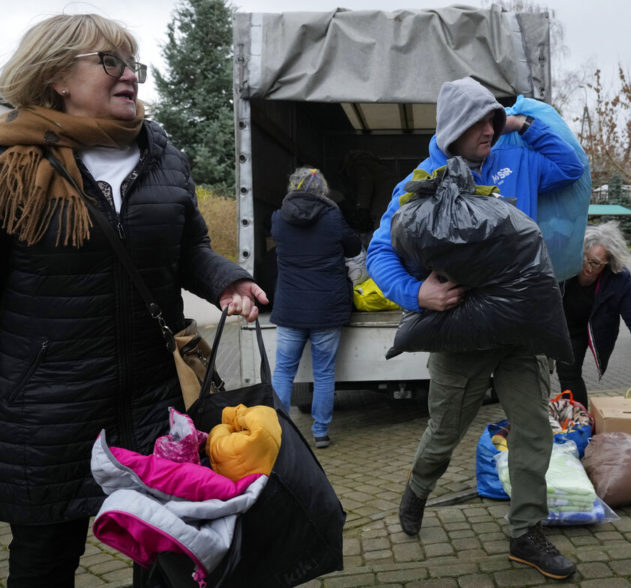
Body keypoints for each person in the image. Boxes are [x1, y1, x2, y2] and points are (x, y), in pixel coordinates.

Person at [0, 14, 268, 587]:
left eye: (133, 65)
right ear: (57, 77)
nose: (130, 76)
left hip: (152, 399)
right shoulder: (13, 165)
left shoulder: (162, 155)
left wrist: (227, 280)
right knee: (45, 561)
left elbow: (188, 246)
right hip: (48, 409)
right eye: (110, 62)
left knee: (174, 554)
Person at [366, 76, 583, 580]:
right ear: (453, 128)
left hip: (521, 332)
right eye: (478, 121)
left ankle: (527, 533)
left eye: (491, 118)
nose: (488, 129)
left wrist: (518, 123)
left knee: (534, 431)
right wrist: (416, 294)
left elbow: (571, 167)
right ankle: (418, 488)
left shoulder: (520, 160)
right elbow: (380, 250)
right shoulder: (424, 180)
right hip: (462, 331)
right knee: (444, 432)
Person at [270, 167, 362, 449]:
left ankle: (279, 433)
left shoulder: (278, 219)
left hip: (290, 309)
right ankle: (320, 432)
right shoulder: (332, 217)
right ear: (321, 188)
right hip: (326, 308)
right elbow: (354, 246)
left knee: (284, 371)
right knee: (324, 373)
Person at [556, 221, 631, 408]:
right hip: (557, 324)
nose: (587, 267)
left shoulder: (618, 279)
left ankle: (580, 420)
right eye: (584, 258)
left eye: (595, 263)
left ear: (609, 262)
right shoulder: (564, 265)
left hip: (584, 330)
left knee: (569, 373)